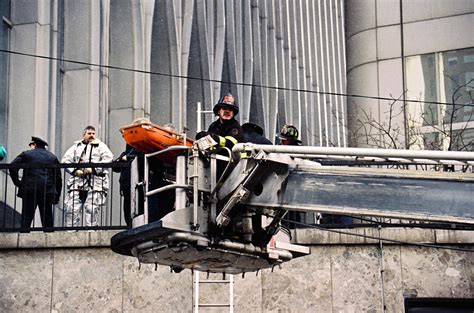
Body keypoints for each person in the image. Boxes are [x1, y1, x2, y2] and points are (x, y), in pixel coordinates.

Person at [62, 126, 113, 227]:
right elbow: (65, 160)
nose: (92, 136)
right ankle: (71, 231)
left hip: (96, 181)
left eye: (93, 133)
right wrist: (75, 171)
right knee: (72, 208)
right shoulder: (76, 147)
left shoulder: (101, 146)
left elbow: (109, 158)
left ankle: (91, 230)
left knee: (92, 208)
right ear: (84, 134)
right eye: (89, 133)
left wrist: (93, 169)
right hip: (77, 181)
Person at [9, 136, 62, 231]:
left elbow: (13, 166)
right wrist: (57, 195)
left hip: (29, 190)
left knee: (26, 217)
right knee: (47, 219)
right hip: (47, 190)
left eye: (31, 145)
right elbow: (58, 178)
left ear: (35, 145)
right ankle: (49, 240)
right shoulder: (52, 157)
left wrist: (18, 182)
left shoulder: (26, 154)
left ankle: (23, 240)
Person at [113, 144, 144, 227]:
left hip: (136, 184)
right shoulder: (125, 153)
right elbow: (115, 167)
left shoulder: (140, 151)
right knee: (127, 207)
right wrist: (123, 158)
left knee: (138, 205)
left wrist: (127, 158)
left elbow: (140, 157)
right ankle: (129, 224)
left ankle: (135, 224)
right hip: (126, 185)